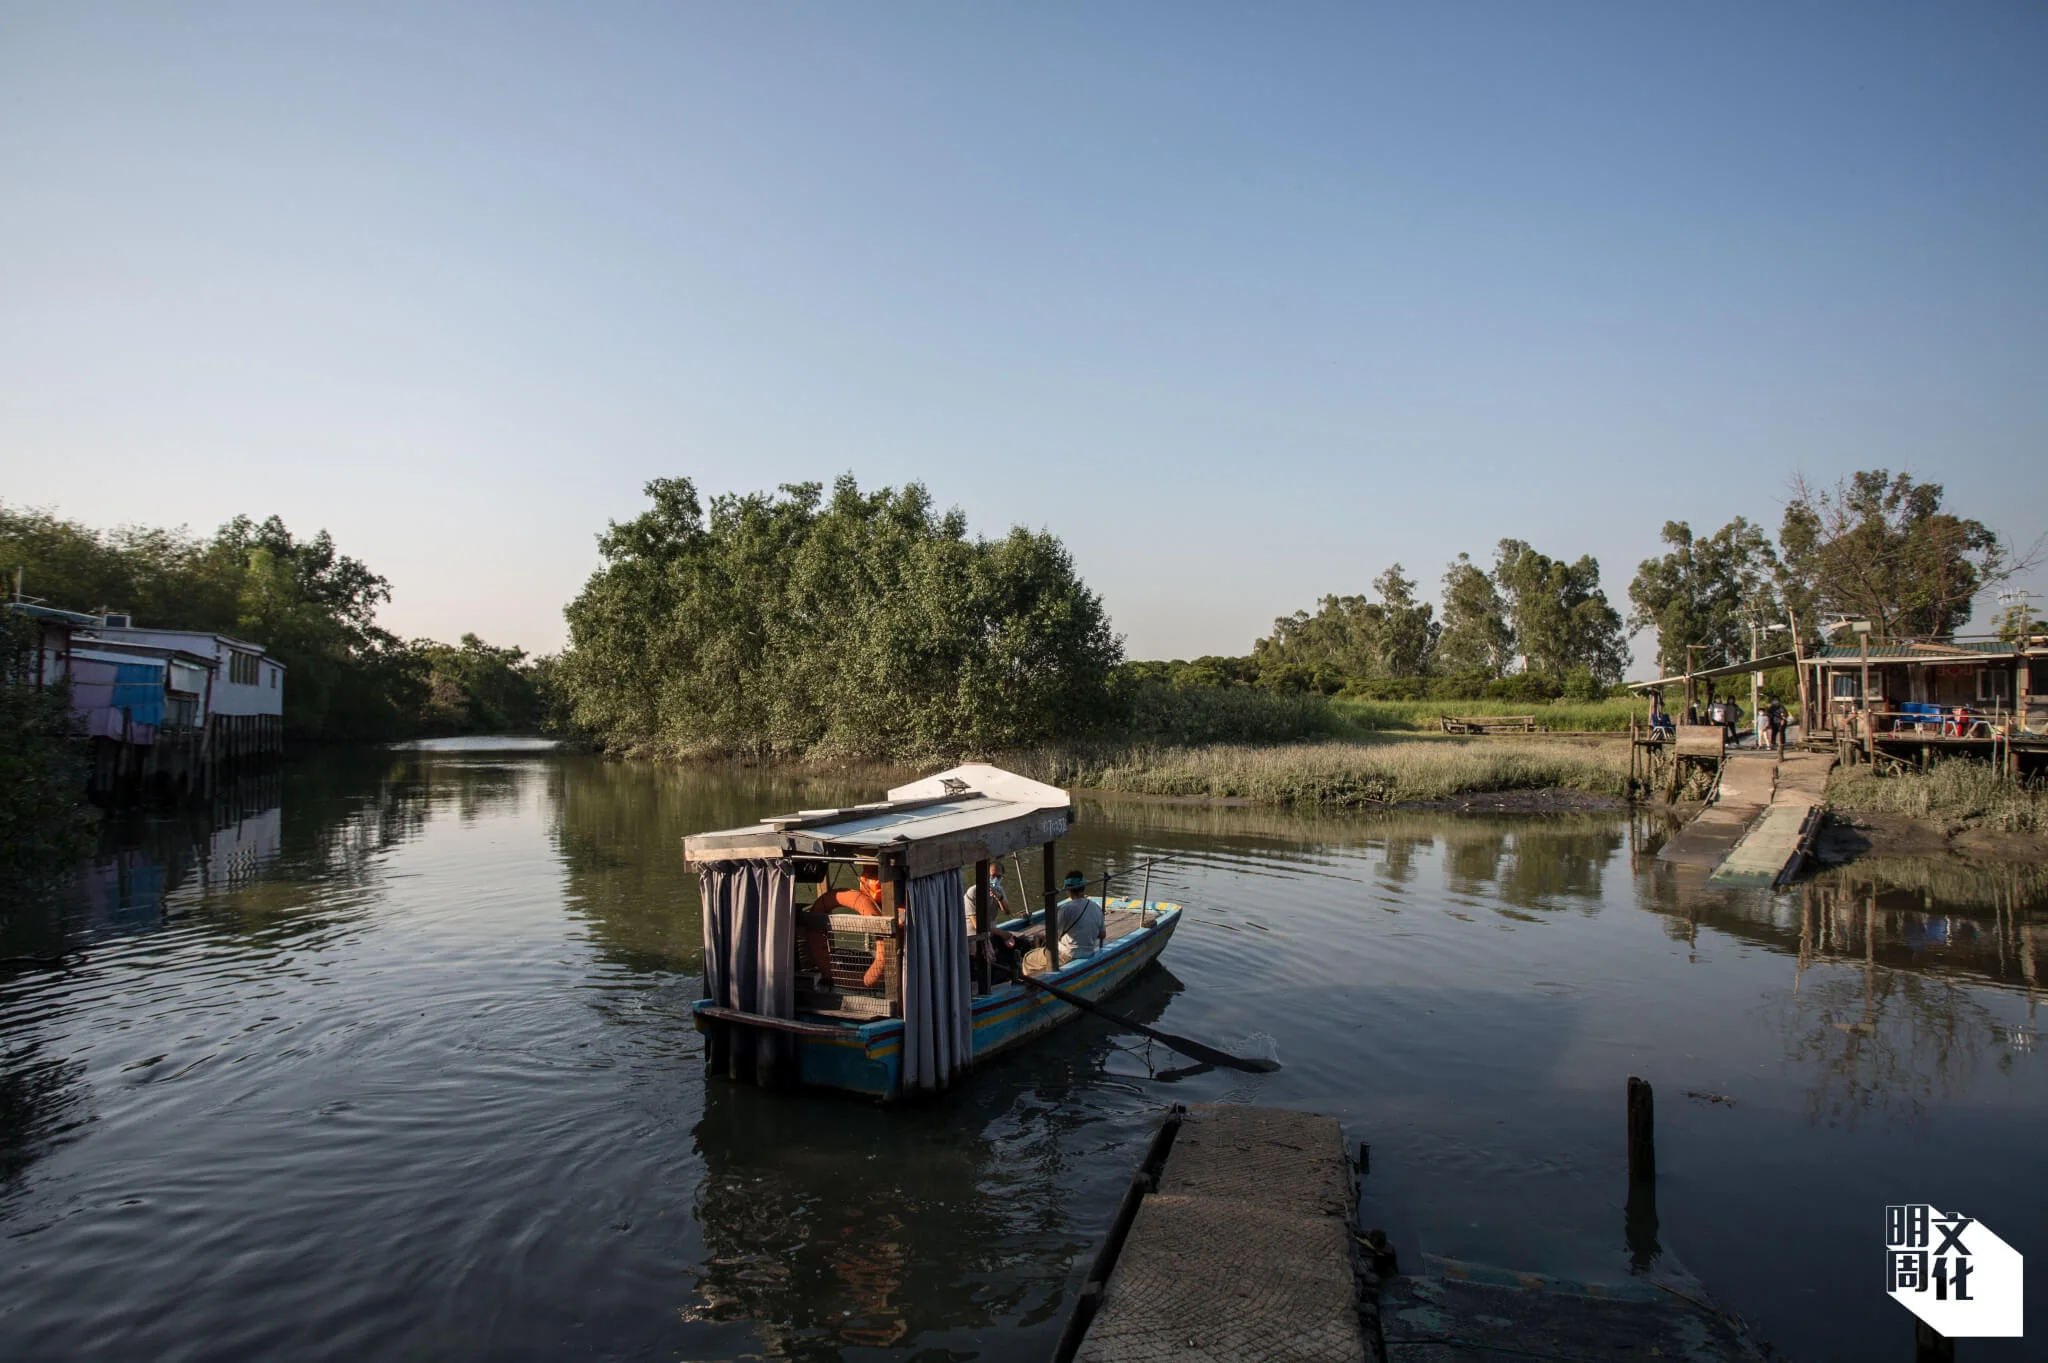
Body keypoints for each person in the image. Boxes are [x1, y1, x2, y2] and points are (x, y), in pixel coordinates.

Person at [1020, 870, 1106, 974]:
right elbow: (1102, 934)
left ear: (1068, 889)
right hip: (1088, 953)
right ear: (1083, 887)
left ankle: (1032, 985)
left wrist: (1042, 937)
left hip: (1067, 955)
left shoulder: (1066, 909)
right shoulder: (1096, 907)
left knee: (1028, 959)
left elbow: (1054, 937)